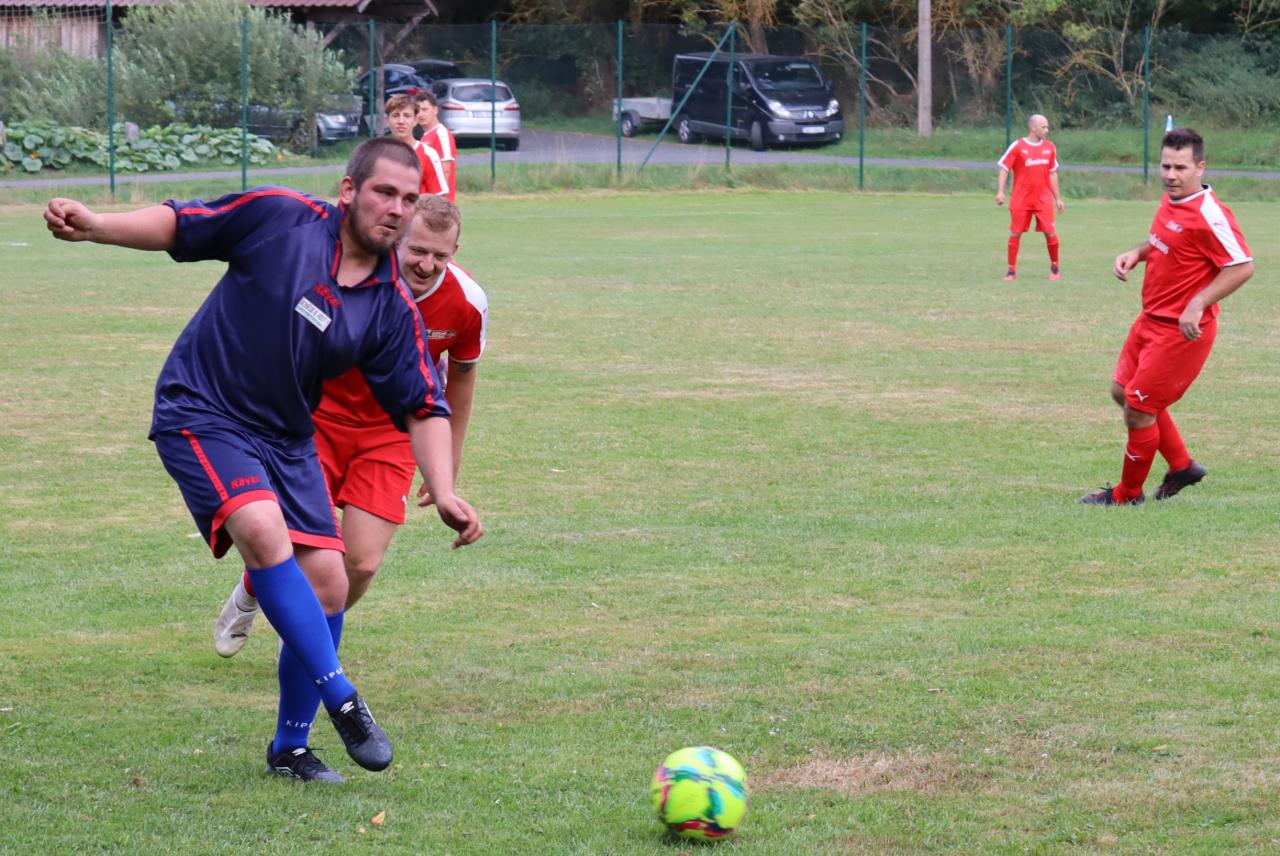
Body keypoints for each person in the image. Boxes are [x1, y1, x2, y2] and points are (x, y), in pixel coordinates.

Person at [43, 137, 483, 783]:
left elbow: (423, 403)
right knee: (260, 525)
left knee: (331, 582)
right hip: (204, 407)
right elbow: (183, 224)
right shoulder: (283, 217)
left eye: (408, 198)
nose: (396, 209)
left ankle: (290, 750)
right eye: (384, 192)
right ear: (349, 190)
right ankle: (343, 697)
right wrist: (97, 226)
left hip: (287, 435)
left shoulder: (390, 304)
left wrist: (443, 488)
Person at [214, 195, 486, 664]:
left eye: (440, 255)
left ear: (455, 251)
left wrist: (448, 467)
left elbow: (460, 382)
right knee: (294, 542)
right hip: (314, 422)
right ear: (396, 238)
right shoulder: (345, 272)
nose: (427, 265)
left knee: (361, 562)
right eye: (417, 250)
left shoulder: (467, 302)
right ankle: (252, 594)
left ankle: (305, 632)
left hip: (393, 433)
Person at [1080, 128, 1253, 506]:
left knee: (1139, 412)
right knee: (1122, 393)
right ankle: (1182, 466)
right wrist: (1137, 253)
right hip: (1150, 319)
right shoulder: (1171, 199)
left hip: (1180, 332)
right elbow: (1165, 243)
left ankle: (1127, 495)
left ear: (1200, 167)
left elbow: (1242, 266)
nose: (1170, 175)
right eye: (1165, 166)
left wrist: (1198, 302)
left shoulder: (1210, 214)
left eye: (1180, 168)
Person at [996, 114, 1065, 281]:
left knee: (1050, 232)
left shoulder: (1050, 147)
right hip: (1021, 198)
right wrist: (1000, 191)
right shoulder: (1018, 146)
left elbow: (1052, 174)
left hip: (1043, 199)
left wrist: (1058, 198)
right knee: (1015, 233)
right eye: (1044, 127)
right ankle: (1011, 271)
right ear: (1033, 128)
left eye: (1047, 127)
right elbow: (1004, 168)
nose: (1047, 130)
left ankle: (1055, 267)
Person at [386, 93, 449, 199]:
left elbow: (438, 198)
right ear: (387, 120)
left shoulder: (428, 154)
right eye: (395, 116)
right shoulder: (378, 154)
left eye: (407, 116)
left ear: (415, 120)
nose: (401, 121)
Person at [415, 90, 457, 201]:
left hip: (437, 203)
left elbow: (445, 170)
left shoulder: (441, 134)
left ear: (435, 110)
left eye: (425, 109)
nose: (421, 114)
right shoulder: (426, 136)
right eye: (417, 111)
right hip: (425, 201)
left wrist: (440, 202)